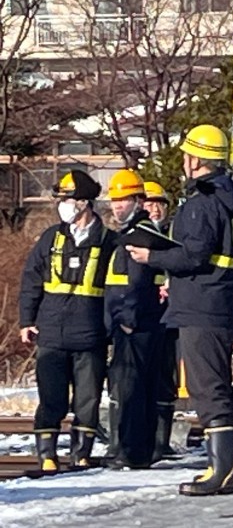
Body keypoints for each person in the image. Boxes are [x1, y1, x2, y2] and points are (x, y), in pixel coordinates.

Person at [127, 124, 233, 496]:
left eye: (186, 155)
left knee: (207, 387)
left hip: (202, 305)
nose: (183, 161)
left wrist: (154, 257)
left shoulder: (202, 202)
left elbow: (195, 253)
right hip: (215, 300)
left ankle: (222, 472)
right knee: (211, 385)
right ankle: (221, 467)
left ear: (196, 159)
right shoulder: (228, 198)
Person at [19, 170, 117, 474]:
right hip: (51, 333)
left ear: (85, 203)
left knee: (87, 401)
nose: (63, 205)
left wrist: (112, 328)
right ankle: (47, 455)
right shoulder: (52, 238)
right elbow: (31, 280)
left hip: (90, 335)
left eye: (68, 199)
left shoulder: (108, 242)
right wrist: (26, 320)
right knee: (51, 399)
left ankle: (81, 454)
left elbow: (117, 289)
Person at [103, 169, 166, 469]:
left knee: (133, 390)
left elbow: (137, 284)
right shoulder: (126, 235)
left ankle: (132, 450)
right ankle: (136, 449)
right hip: (129, 323)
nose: (117, 206)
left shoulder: (142, 236)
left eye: (124, 200)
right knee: (135, 388)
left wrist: (127, 320)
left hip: (137, 325)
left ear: (139, 201)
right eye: (115, 200)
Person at [143, 181, 179, 461]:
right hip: (144, 315)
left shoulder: (175, 234)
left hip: (171, 315)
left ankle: (161, 440)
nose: (155, 209)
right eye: (149, 203)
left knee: (167, 377)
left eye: (160, 204)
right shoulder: (135, 236)